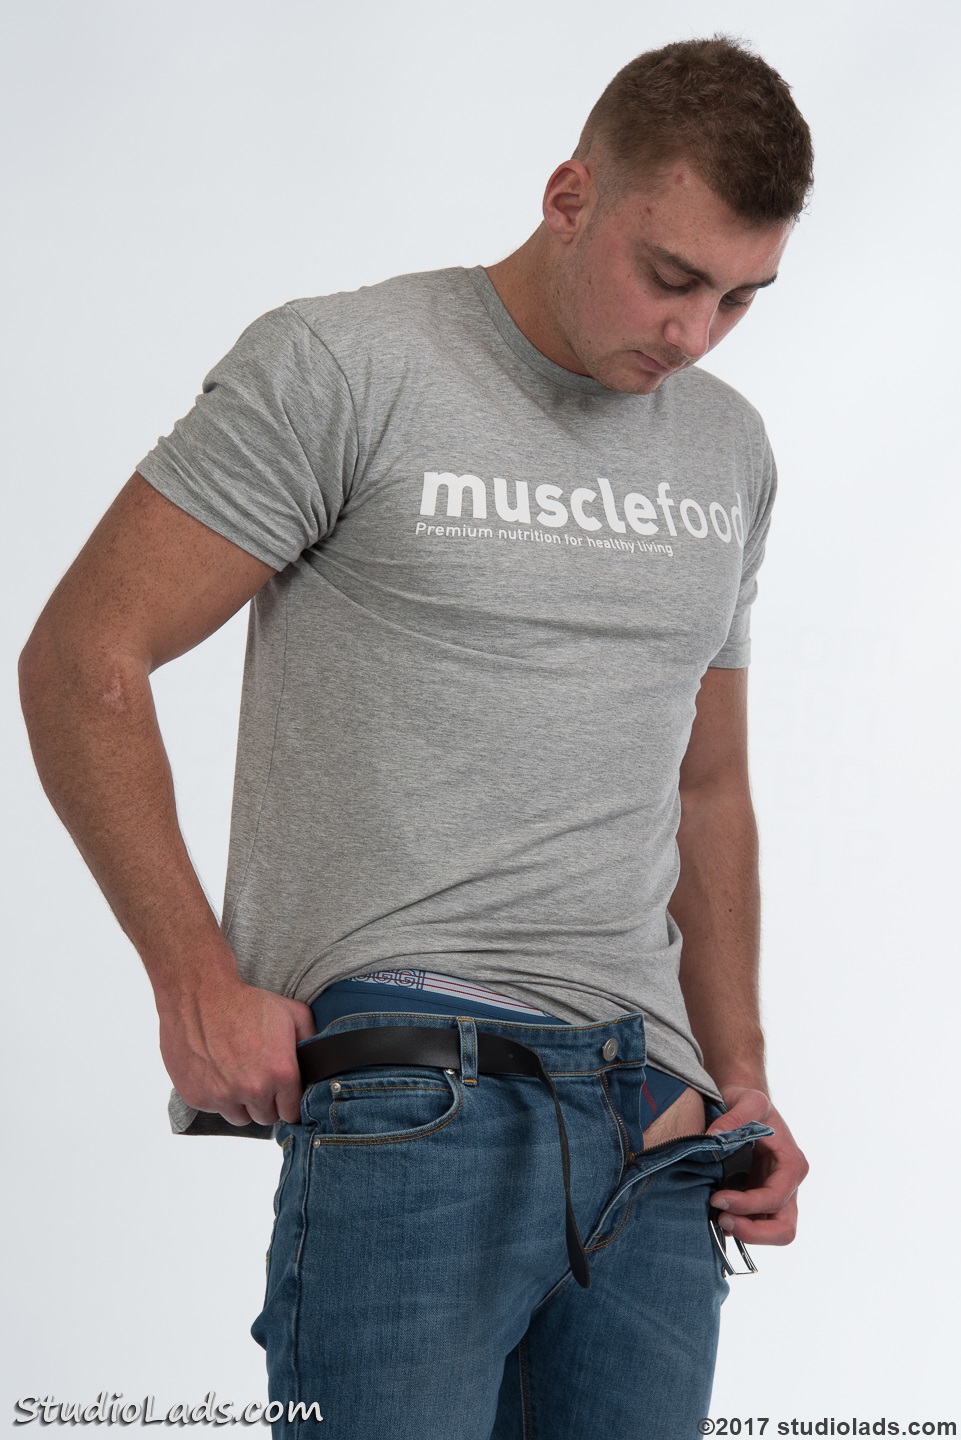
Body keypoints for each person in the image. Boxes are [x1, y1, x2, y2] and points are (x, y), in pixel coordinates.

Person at [18, 33, 813, 1440]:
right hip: (420, 1092)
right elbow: (84, 656)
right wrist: (191, 979)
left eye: (740, 298)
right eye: (670, 276)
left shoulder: (728, 449)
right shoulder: (347, 365)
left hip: (657, 1125)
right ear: (568, 197)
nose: (694, 333)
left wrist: (740, 1075)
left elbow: (707, 782)